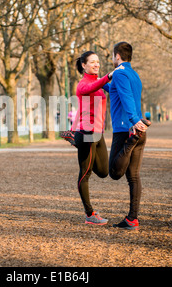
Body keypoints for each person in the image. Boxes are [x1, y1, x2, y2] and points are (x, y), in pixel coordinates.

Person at [103, 42, 150, 231]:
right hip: (139, 130)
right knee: (133, 176)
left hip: (126, 130)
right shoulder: (133, 74)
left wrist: (132, 120)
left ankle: (130, 143)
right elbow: (116, 90)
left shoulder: (120, 73)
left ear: (117, 56)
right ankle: (132, 219)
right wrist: (99, 83)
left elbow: (126, 97)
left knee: (115, 172)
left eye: (113, 56)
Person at [63, 51, 113, 225]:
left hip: (98, 133)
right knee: (85, 173)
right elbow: (89, 88)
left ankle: (73, 137)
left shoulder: (99, 83)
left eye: (98, 62)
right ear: (84, 65)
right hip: (87, 133)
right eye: (92, 62)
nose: (96, 64)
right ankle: (90, 214)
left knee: (104, 171)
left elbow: (110, 89)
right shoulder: (83, 84)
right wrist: (108, 76)